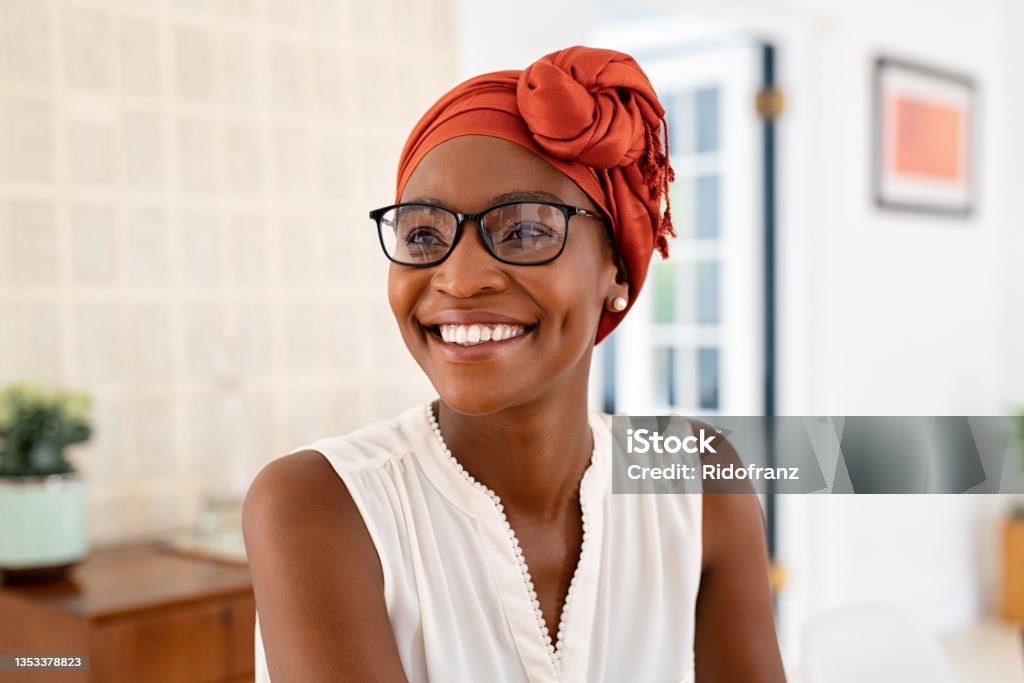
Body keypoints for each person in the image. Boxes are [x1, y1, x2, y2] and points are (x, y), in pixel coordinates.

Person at [243, 45, 787, 683]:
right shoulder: (319, 504)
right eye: (423, 235)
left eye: (526, 229)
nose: (460, 277)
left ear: (616, 264)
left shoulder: (697, 480)